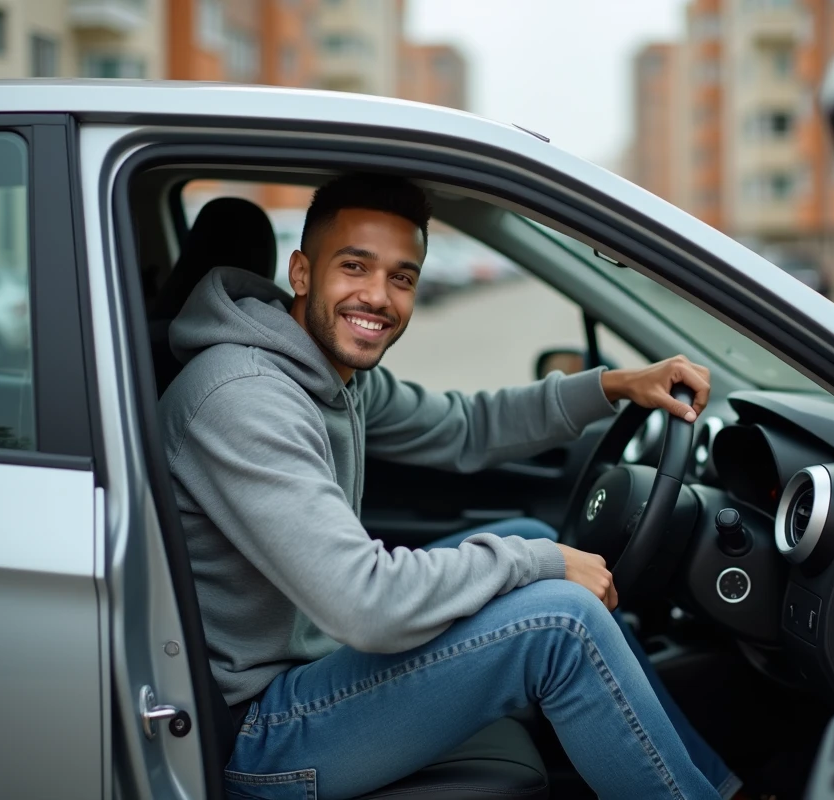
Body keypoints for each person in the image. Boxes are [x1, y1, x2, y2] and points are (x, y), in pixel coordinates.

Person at [160, 173, 745, 799]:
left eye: (402, 277)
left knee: (529, 537)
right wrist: (540, 563)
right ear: (301, 272)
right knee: (563, 620)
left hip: (308, 669)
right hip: (258, 732)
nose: (378, 297)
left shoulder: (325, 372)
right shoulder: (244, 398)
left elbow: (467, 427)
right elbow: (366, 604)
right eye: (354, 266)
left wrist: (614, 385)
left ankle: (721, 789)